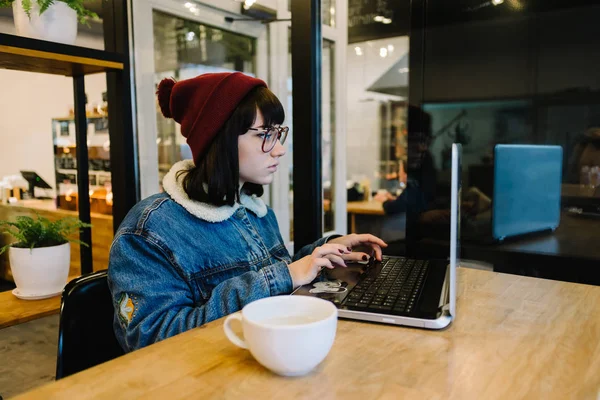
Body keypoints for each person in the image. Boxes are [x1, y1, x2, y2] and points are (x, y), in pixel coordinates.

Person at [108, 72, 387, 352]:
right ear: (221, 138)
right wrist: (283, 276)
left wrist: (324, 252)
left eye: (278, 133)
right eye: (265, 134)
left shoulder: (255, 210)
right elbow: (150, 340)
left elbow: (274, 279)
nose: (279, 149)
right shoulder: (148, 231)